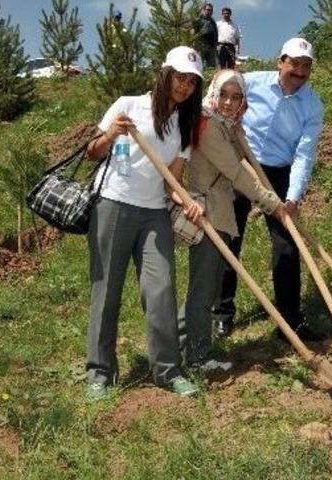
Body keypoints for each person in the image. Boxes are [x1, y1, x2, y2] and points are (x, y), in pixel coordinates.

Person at [83, 46, 206, 400]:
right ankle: (99, 373)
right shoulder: (128, 104)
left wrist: (188, 203)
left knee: (161, 287)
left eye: (192, 82)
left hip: (154, 213)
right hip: (113, 204)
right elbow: (92, 151)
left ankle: (167, 370)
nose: (184, 86)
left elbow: (172, 181)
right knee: (106, 289)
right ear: (165, 73)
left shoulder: (183, 126)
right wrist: (110, 136)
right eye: (180, 77)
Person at [212, 38, 324, 341]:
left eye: (306, 66)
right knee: (230, 235)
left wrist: (292, 196)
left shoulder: (313, 105)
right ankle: (222, 313)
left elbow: (304, 153)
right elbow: (222, 87)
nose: (299, 71)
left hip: (278, 172)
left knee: (287, 246)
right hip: (241, 164)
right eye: (294, 64)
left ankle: (289, 320)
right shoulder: (252, 83)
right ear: (281, 62)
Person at [178, 70, 285, 376]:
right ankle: (194, 355)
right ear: (213, 93)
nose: (228, 102)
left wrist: (239, 136)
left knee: (208, 288)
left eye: (235, 97)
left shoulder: (227, 127)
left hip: (220, 212)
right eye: (223, 94)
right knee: (203, 290)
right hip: (207, 214)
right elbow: (237, 174)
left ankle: (182, 346)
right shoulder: (210, 126)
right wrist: (272, 204)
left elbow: (241, 165)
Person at [194, 3, 218, 68]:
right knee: (200, 65)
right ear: (204, 10)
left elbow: (216, 34)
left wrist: (215, 45)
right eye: (208, 9)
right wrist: (196, 45)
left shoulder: (213, 22)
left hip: (211, 47)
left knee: (212, 67)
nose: (209, 11)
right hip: (201, 47)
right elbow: (194, 34)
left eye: (211, 10)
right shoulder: (198, 20)